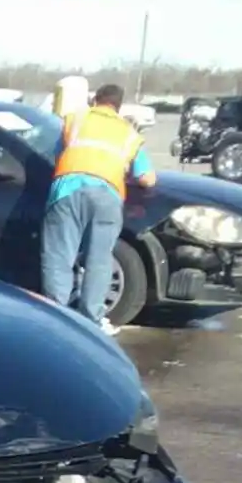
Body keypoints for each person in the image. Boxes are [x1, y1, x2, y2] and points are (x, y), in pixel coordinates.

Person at [42, 82, 156, 332]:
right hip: (107, 195)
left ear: (95, 100)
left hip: (67, 191)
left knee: (60, 256)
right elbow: (147, 178)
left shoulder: (74, 121)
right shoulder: (129, 134)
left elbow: (55, 155)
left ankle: (56, 317)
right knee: (99, 260)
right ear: (118, 106)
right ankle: (91, 321)